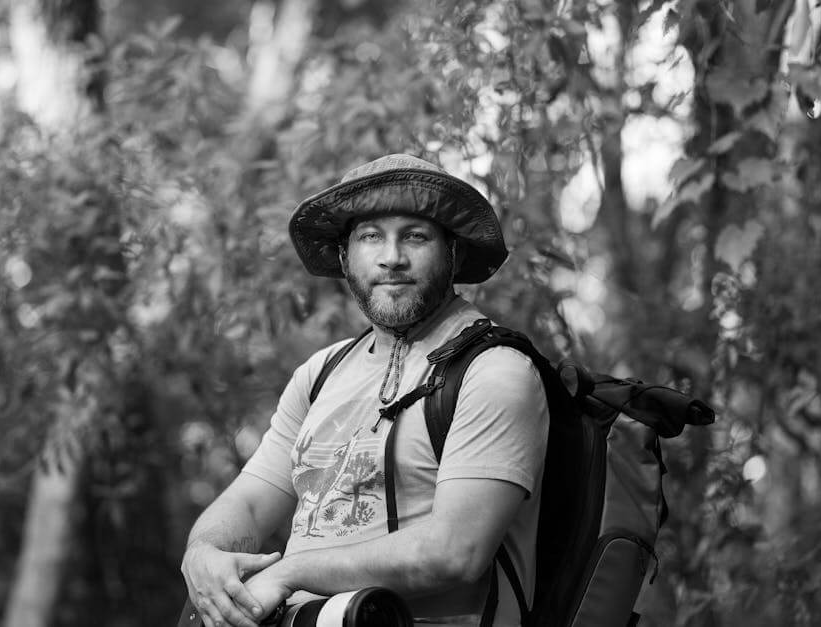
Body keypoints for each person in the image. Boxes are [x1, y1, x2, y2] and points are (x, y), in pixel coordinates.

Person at [180, 154, 549, 627]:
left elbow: (455, 552)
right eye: (371, 236)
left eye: (415, 236)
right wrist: (203, 553)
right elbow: (250, 502)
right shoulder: (321, 373)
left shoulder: (493, 371)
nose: (391, 257)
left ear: (452, 253)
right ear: (343, 256)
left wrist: (290, 574)